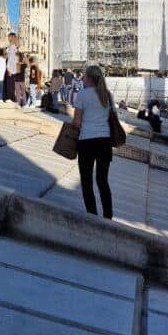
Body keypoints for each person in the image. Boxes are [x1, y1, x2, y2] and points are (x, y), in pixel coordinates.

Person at [72, 64, 114, 220]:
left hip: (87, 141)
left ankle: (93, 216)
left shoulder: (82, 95)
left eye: (84, 76)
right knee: (103, 181)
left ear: (88, 78)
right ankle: (108, 216)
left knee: (86, 180)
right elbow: (112, 118)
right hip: (104, 142)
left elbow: (76, 122)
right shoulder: (107, 95)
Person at [5, 32, 18, 102]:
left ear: (12, 37)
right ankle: (11, 97)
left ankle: (10, 97)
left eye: (9, 37)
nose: (8, 38)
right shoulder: (12, 47)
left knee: (9, 84)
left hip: (10, 68)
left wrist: (9, 69)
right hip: (12, 68)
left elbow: (11, 59)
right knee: (11, 83)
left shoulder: (12, 47)